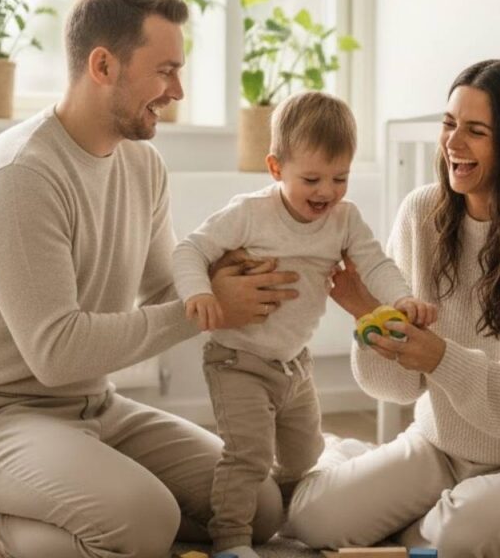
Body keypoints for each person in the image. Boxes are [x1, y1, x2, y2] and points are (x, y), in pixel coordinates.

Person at [0, 0, 300, 558]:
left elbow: (164, 285)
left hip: (92, 407)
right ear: (102, 65)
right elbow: (57, 353)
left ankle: (38, 511)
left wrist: (228, 278)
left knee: (253, 505)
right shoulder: (20, 176)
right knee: (144, 521)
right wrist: (205, 309)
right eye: (165, 71)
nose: (178, 90)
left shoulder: (142, 162)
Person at [282, 59, 500, 557]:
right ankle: (424, 522)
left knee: (459, 536)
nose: (453, 143)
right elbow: (395, 386)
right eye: (449, 124)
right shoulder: (421, 214)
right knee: (310, 519)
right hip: (440, 449)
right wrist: (369, 316)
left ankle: (439, 527)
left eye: (476, 131)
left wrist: (439, 358)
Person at [172, 91, 438, 558]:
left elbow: (375, 263)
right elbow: (190, 249)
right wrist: (199, 292)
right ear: (276, 169)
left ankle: (289, 523)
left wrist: (402, 297)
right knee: (247, 454)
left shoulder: (344, 218)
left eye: (341, 178)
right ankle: (231, 540)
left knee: (304, 455)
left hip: (294, 363)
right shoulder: (250, 213)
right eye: (311, 178)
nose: (326, 192)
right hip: (238, 360)